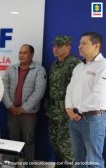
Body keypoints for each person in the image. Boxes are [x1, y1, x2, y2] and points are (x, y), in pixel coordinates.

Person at [65, 32, 106, 168]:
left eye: (84, 43)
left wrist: (77, 110)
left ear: (96, 46)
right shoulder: (79, 66)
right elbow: (69, 90)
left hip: (92, 119)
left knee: (93, 161)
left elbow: (99, 93)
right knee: (79, 159)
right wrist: (69, 109)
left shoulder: (103, 65)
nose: (79, 46)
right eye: (79, 43)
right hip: (74, 119)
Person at [2, 44, 46, 163]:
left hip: (28, 114)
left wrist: (22, 108)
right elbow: (3, 88)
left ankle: (28, 165)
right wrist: (10, 106)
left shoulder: (39, 69)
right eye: (20, 52)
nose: (21, 55)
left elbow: (39, 92)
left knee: (29, 140)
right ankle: (13, 163)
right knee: (13, 139)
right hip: (12, 112)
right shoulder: (11, 68)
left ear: (32, 54)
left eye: (25, 52)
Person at [46, 35, 79, 165]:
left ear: (68, 47)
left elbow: (79, 89)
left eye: (59, 46)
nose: (56, 48)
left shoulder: (74, 64)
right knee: (56, 143)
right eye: (54, 46)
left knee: (67, 146)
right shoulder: (54, 64)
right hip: (53, 112)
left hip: (67, 113)